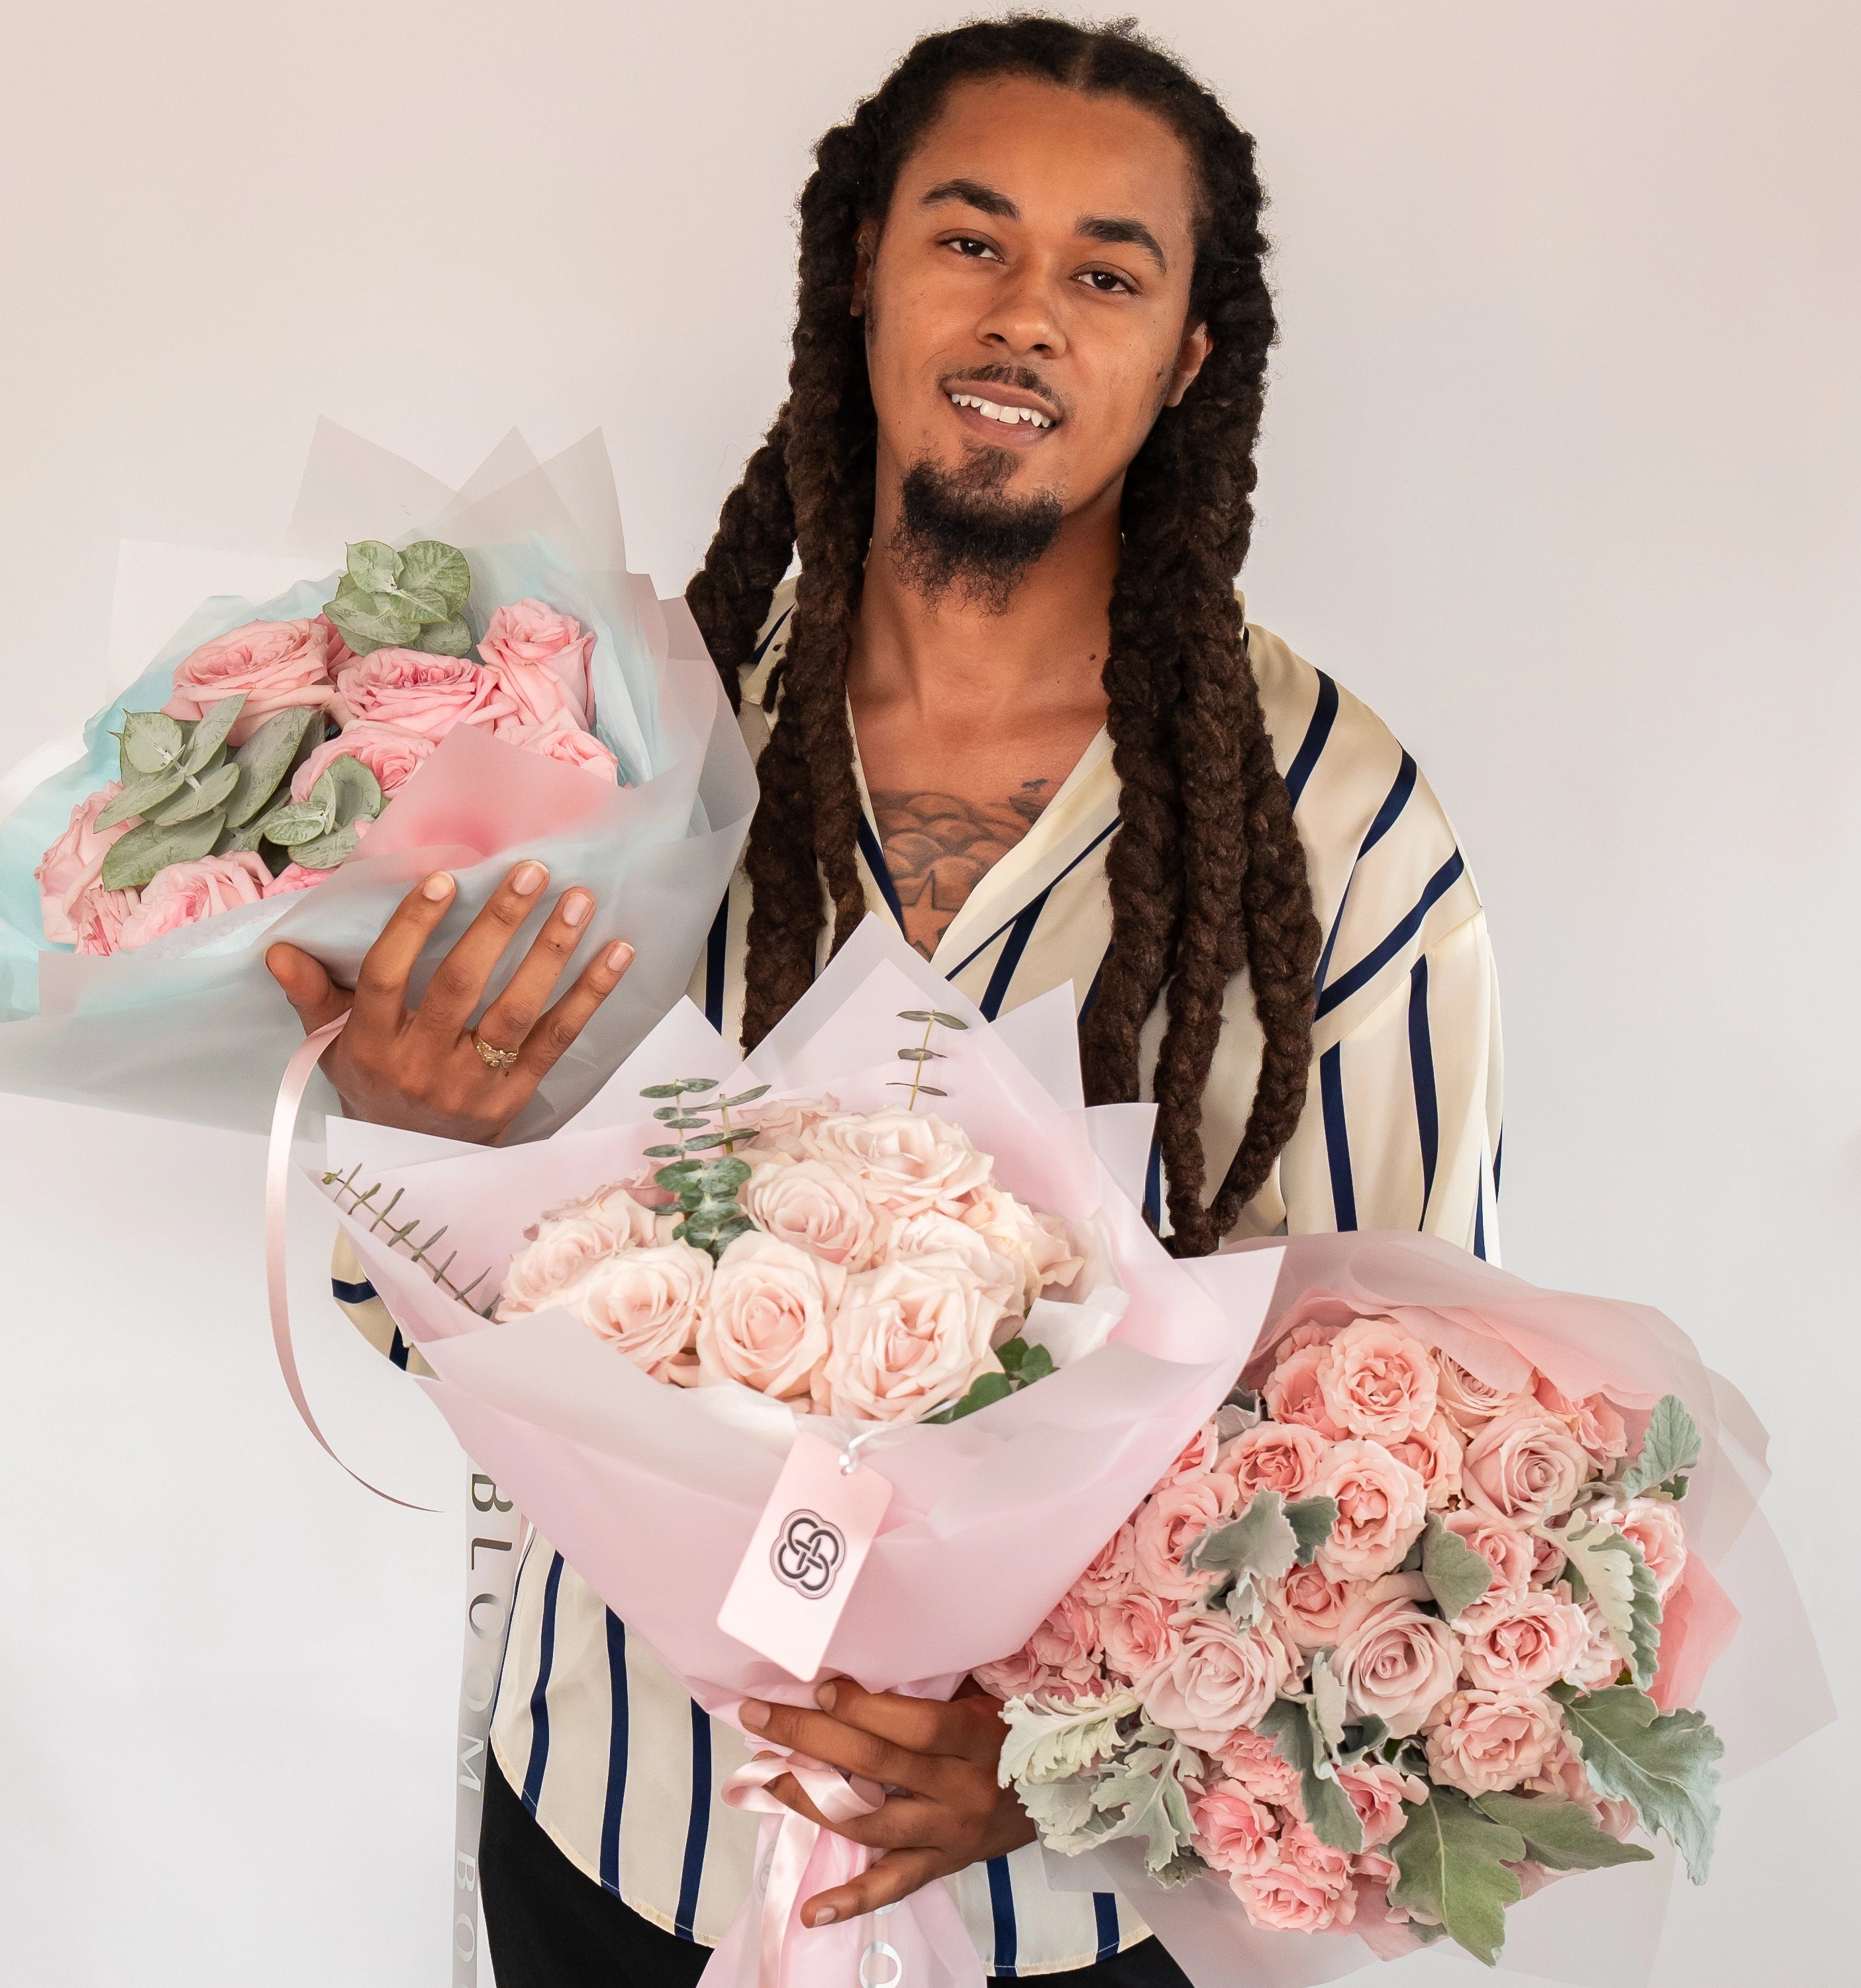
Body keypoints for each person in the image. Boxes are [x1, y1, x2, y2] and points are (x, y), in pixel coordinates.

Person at [266, 17, 1502, 1983]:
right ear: (864, 270)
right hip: (614, 1827)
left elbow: (1404, 1435)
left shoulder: (1339, 825)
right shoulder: (614, 736)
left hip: (1067, 1905)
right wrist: (408, 1145)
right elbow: (429, 1317)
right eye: (970, 239)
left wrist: (1077, 1747)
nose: (1026, 315)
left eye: (1106, 274)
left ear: (1187, 360)